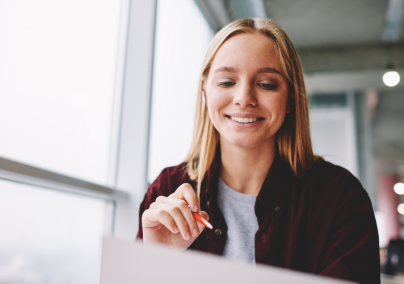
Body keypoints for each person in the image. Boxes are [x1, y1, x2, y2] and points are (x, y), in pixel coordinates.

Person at [137, 18, 380, 283]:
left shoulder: (340, 198)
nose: (244, 98)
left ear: (290, 99)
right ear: (205, 93)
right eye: (227, 82)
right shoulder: (167, 190)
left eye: (266, 84)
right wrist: (158, 262)